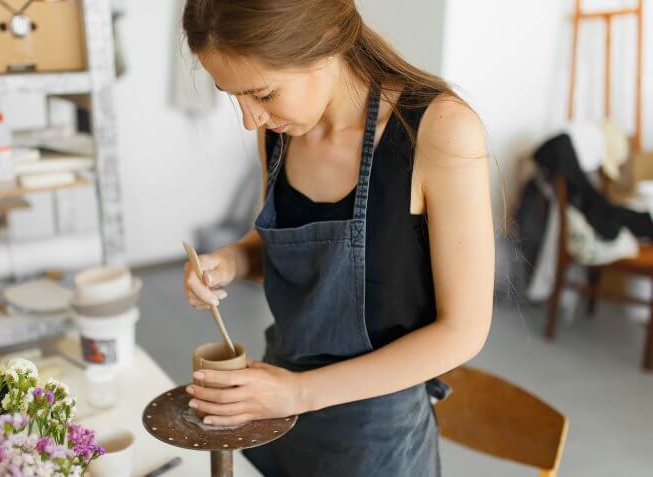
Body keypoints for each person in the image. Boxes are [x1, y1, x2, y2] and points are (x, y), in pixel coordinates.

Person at [180, 1, 494, 475]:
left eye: (262, 94)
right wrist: (230, 261)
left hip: (374, 437)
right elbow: (287, 248)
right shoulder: (280, 132)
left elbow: (463, 333)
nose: (250, 120)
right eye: (233, 96)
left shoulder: (439, 131)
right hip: (274, 407)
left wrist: (298, 392)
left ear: (325, 42)